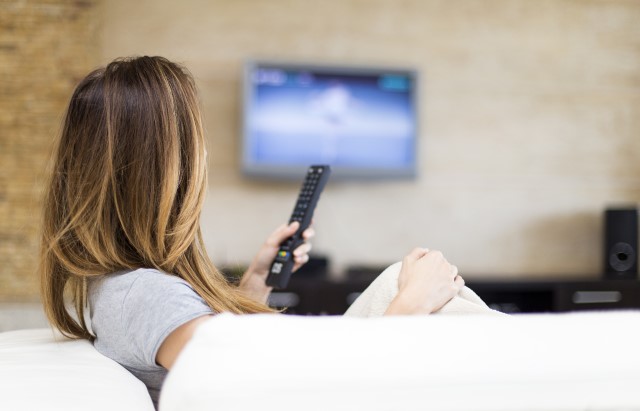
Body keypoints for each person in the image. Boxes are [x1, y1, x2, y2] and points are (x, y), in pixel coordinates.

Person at [40, 56, 465, 408]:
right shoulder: (145, 295)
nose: (203, 154)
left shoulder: (119, 287)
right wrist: (411, 304)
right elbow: (294, 395)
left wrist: (256, 281)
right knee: (421, 288)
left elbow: (223, 357)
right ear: (167, 167)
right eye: (195, 141)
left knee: (408, 281)